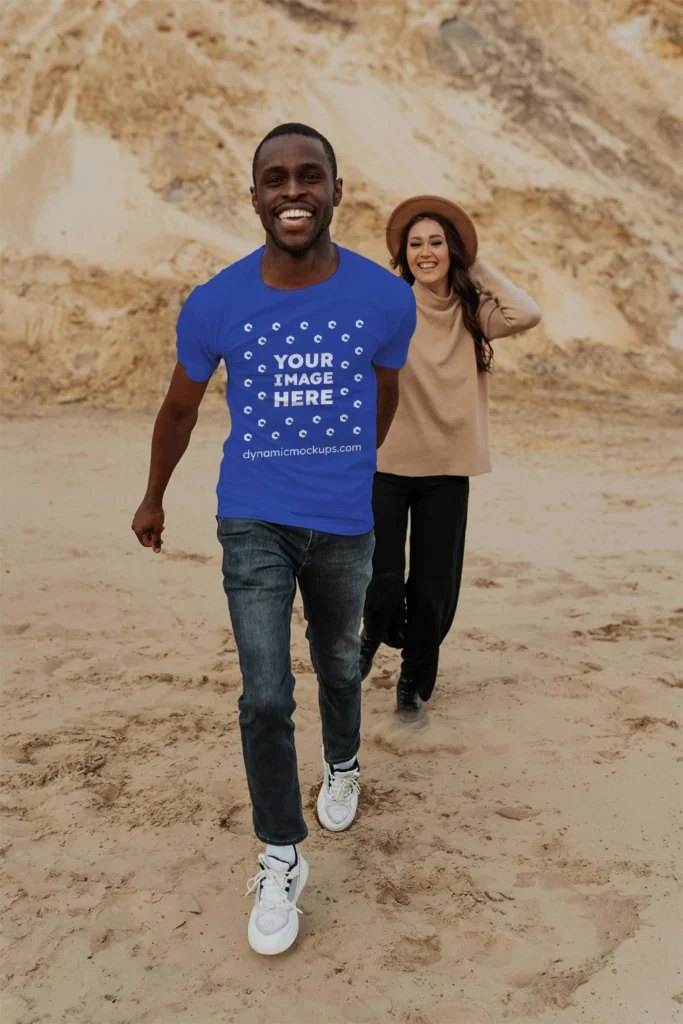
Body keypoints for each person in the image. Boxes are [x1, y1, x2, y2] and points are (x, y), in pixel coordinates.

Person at [131, 124, 416, 955]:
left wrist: (358, 469)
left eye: (309, 177)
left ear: (335, 189)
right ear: (253, 194)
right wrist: (153, 496)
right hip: (251, 515)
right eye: (275, 179)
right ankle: (281, 852)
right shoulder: (216, 301)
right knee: (262, 692)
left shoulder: (382, 297)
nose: (293, 192)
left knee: (336, 663)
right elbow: (180, 407)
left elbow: (383, 393)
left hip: (341, 521)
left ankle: (341, 762)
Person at [360, 195, 542, 723]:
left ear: (452, 249)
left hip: (447, 469)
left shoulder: (474, 311)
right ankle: (372, 631)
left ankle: (411, 688)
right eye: (414, 244)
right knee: (381, 578)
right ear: (403, 254)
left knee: (433, 589)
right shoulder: (389, 305)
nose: (425, 252)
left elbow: (527, 313)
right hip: (387, 466)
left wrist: (473, 262)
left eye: (436, 242)